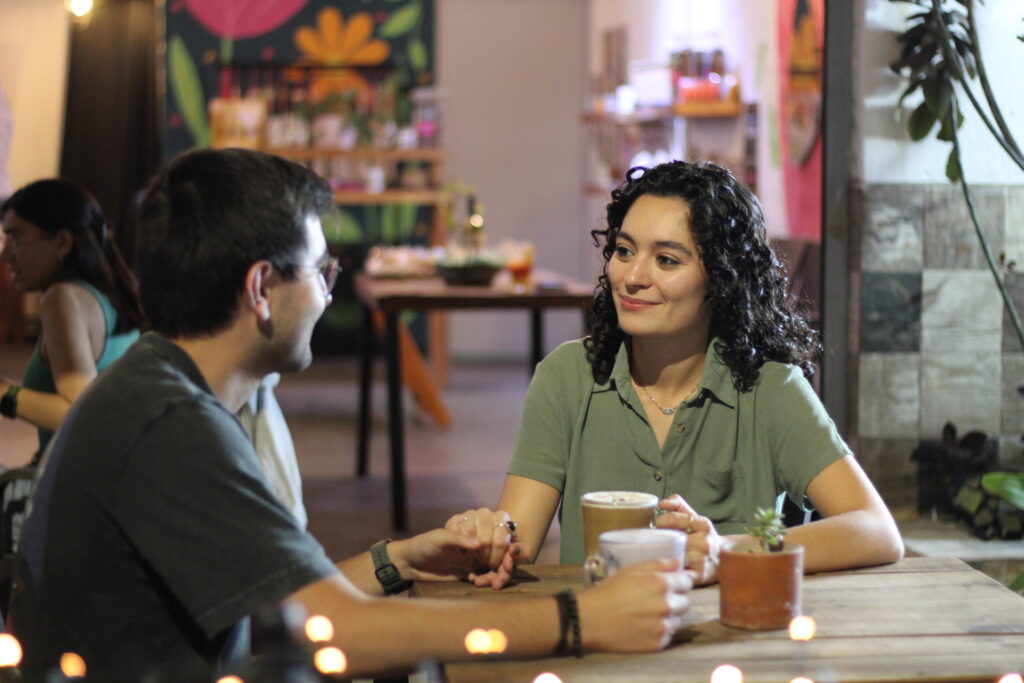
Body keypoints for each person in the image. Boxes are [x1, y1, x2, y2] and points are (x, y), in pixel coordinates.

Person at [11, 148, 693, 681]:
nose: (329, 292)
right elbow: (329, 629)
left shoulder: (161, 387)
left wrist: (401, 559)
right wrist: (582, 616)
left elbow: (282, 589)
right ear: (261, 289)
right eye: (321, 271)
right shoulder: (169, 424)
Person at [453, 160, 903, 588]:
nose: (632, 276)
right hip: (600, 640)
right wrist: (490, 536)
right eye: (624, 251)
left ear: (721, 280)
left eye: (667, 260)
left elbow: (876, 530)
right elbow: (518, 539)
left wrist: (727, 551)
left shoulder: (769, 388)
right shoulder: (568, 376)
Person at [0, 180, 144, 459]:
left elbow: (78, 413)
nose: (5, 255)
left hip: (80, 487)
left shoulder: (62, 298)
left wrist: (4, 394)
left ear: (63, 242)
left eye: (16, 238)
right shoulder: (110, 295)